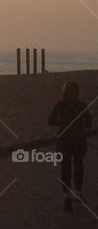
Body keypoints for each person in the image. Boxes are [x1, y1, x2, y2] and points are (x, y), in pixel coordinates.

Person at [48, 81, 92, 212]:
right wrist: (80, 125)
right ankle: (78, 191)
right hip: (79, 139)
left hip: (63, 139)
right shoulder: (82, 105)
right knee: (78, 164)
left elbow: (50, 121)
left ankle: (67, 197)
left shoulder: (60, 105)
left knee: (65, 167)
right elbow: (89, 124)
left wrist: (62, 123)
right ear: (77, 92)